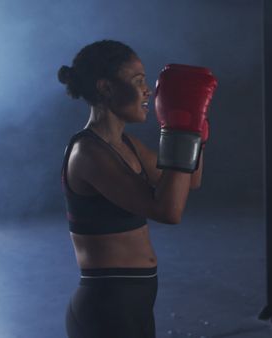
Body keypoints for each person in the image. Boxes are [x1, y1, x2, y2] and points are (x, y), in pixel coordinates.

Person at [58, 40, 217, 338]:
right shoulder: (88, 153)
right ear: (106, 88)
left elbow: (189, 181)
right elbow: (168, 211)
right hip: (106, 307)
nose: (148, 91)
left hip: (135, 302)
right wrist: (181, 131)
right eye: (138, 81)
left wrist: (196, 132)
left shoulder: (129, 145)